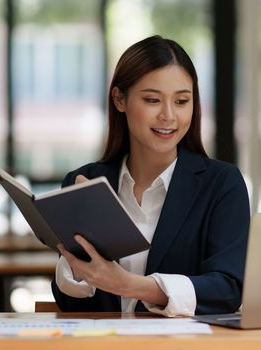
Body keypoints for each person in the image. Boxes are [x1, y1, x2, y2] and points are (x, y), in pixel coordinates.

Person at [51, 35, 249, 317]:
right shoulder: (83, 183)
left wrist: (132, 286)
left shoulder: (221, 184)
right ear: (120, 99)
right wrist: (78, 262)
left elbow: (227, 289)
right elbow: (70, 304)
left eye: (182, 101)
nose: (168, 115)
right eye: (152, 100)